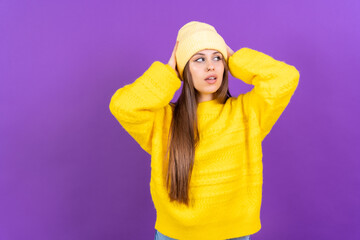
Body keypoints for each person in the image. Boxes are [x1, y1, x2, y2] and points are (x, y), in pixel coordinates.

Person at [109, 21, 300, 240]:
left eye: (217, 58)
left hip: (233, 235)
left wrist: (235, 59)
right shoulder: (163, 120)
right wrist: (169, 71)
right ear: (183, 69)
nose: (211, 66)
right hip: (175, 236)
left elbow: (286, 78)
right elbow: (122, 106)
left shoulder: (246, 113)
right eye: (199, 59)